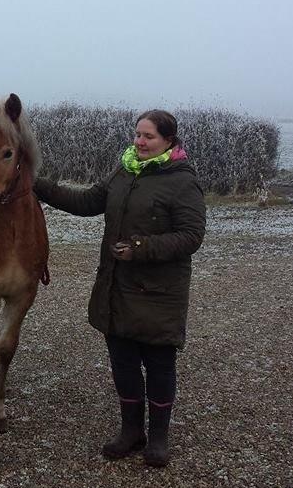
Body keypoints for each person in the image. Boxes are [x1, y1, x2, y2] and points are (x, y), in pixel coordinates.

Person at [34, 110, 206, 467]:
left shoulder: (181, 181)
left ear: (169, 141)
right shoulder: (124, 171)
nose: (140, 142)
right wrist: (38, 185)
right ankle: (131, 431)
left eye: (148, 137)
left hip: (159, 292)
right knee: (124, 364)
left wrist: (142, 248)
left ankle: (158, 437)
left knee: (159, 366)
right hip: (117, 287)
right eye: (137, 135)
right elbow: (87, 202)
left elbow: (191, 236)